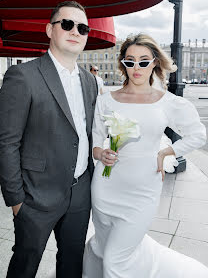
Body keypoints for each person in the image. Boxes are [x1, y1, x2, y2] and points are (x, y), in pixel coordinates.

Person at [82, 33, 208, 278]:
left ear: (154, 63)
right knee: (103, 247)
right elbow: (94, 143)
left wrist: (166, 153)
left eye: (143, 61)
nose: (136, 67)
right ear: (123, 64)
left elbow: (198, 135)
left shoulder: (168, 102)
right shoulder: (106, 101)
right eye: (130, 61)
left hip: (143, 191)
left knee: (115, 261)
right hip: (105, 187)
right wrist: (101, 153)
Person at [0, 0, 97, 278]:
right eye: (66, 24)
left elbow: (85, 134)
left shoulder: (89, 81)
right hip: (35, 196)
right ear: (49, 30)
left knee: (72, 263)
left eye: (82, 27)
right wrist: (16, 200)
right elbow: (6, 142)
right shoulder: (22, 76)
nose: (75, 31)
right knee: (24, 266)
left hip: (80, 192)